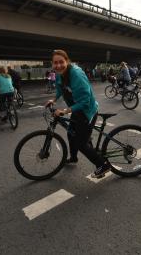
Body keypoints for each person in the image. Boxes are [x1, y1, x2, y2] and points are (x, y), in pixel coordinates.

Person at [45, 49, 111, 178]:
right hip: (76, 109)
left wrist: (64, 111)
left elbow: (85, 102)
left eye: (61, 62)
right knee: (71, 134)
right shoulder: (59, 73)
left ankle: (103, 165)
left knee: (81, 143)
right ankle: (74, 158)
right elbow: (60, 89)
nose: (58, 65)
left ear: (67, 61)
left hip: (87, 111)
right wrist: (53, 99)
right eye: (55, 63)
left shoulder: (76, 74)